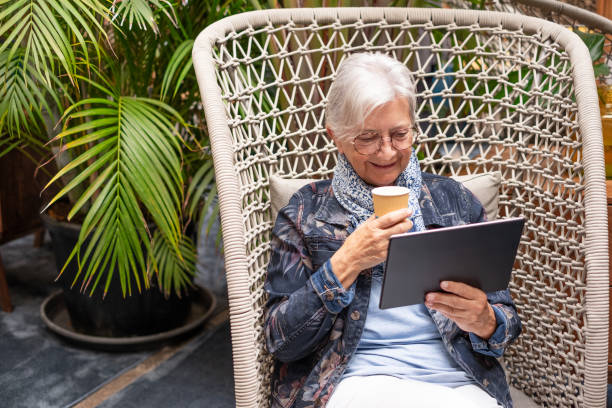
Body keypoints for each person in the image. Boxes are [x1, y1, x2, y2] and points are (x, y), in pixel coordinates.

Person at [263, 53, 521, 408]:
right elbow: (281, 341)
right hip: (351, 383)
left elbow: (506, 325)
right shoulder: (305, 213)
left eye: (400, 134)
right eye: (367, 138)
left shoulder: (455, 202)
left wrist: (487, 320)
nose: (387, 152)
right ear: (336, 136)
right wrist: (346, 263)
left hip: (457, 384)